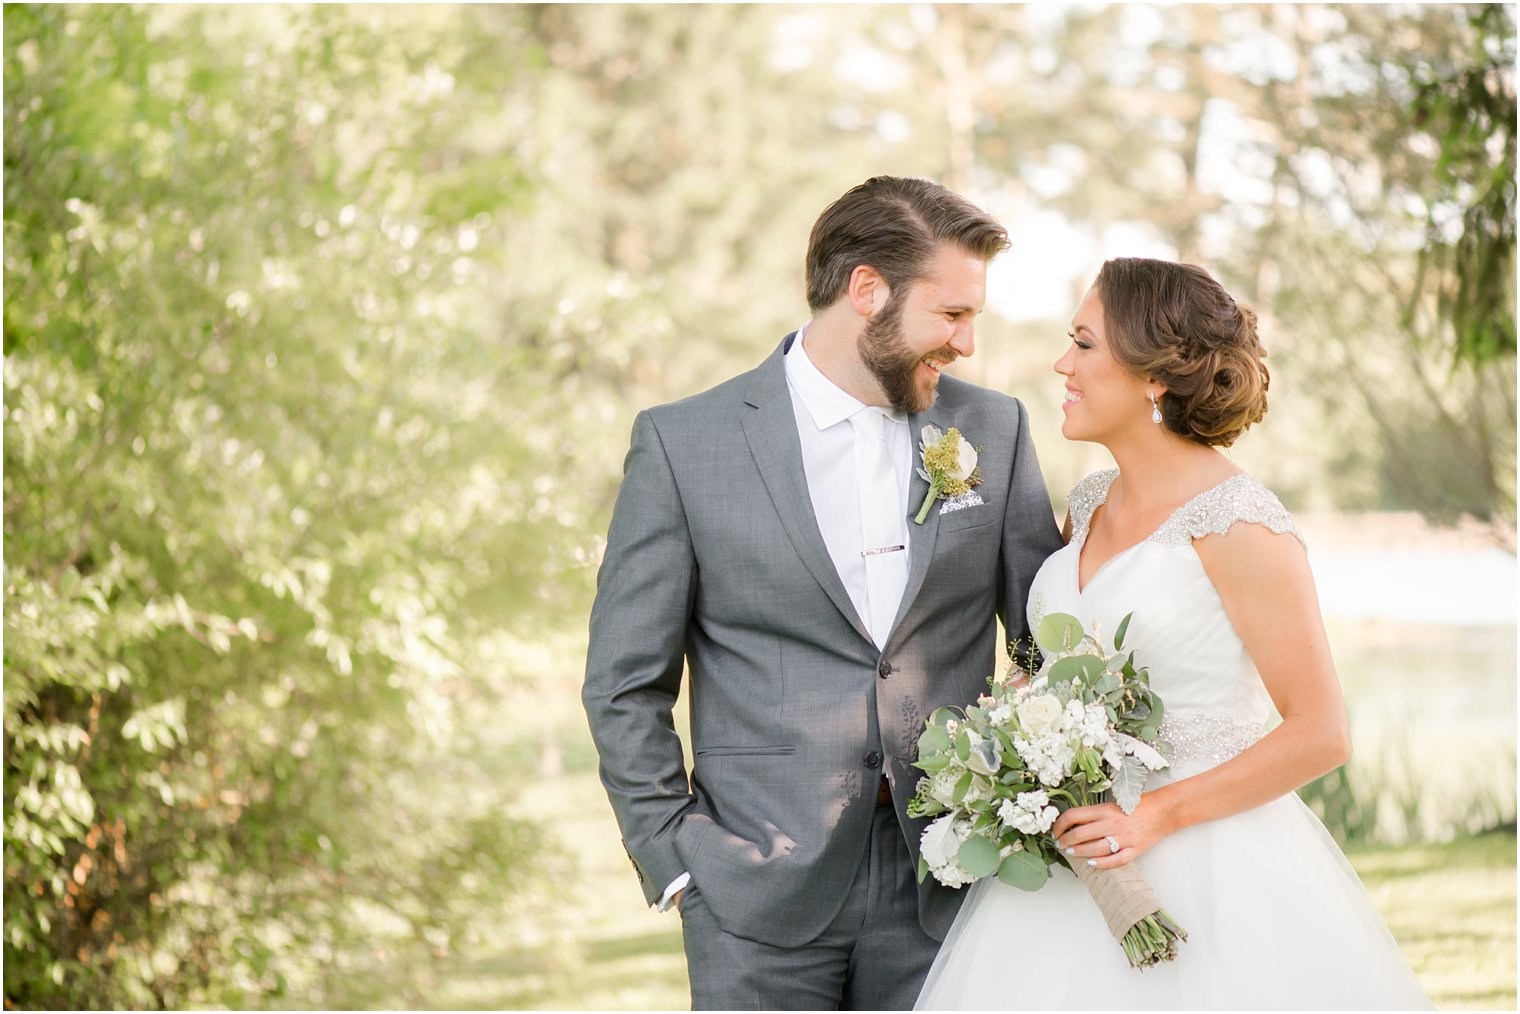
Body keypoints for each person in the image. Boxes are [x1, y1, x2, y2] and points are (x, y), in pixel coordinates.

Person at [582, 176, 1064, 1010]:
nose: (968, 344)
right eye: (951, 315)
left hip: (951, 884)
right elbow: (624, 682)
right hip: (750, 892)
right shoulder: (684, 443)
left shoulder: (993, 429)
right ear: (867, 290)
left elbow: (1044, 643)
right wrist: (673, 855)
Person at [914, 258, 1432, 1009]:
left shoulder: (1240, 522)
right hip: (1076, 862)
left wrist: (1156, 814)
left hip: (1209, 858)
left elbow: (1322, 732)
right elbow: (1053, 667)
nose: (1062, 363)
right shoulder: (1088, 504)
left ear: (1155, 376)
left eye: (1085, 345)